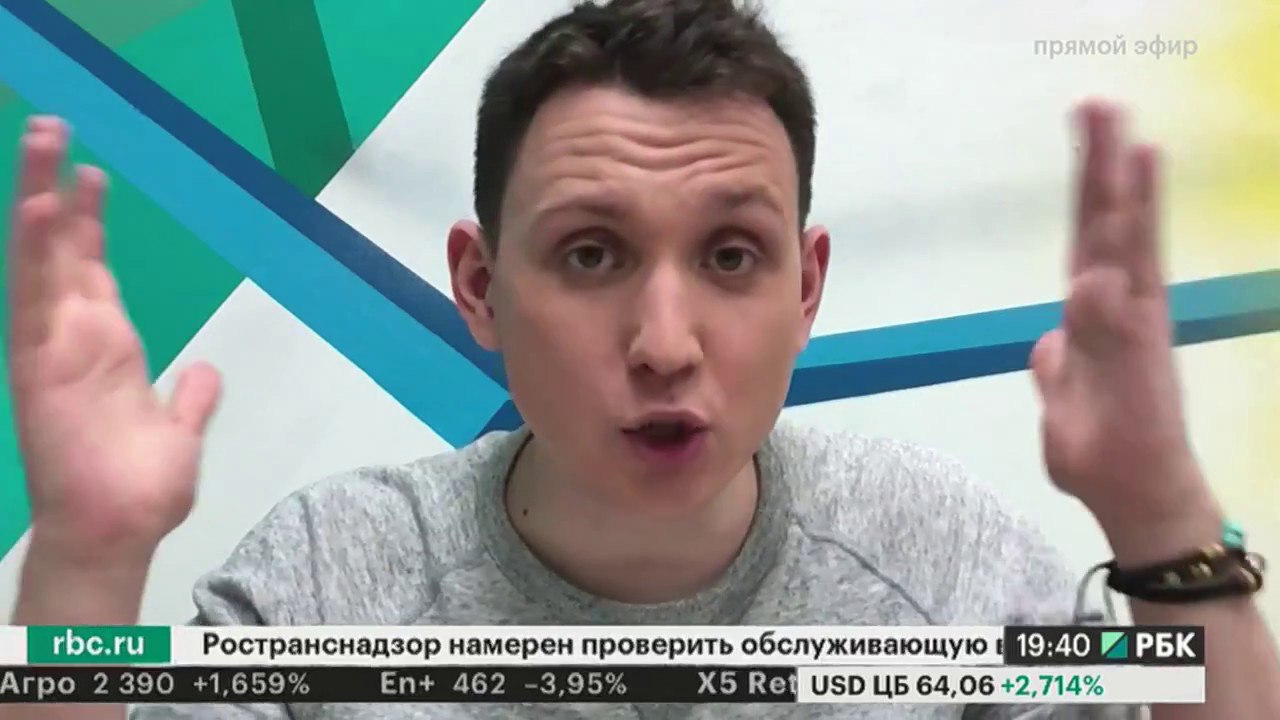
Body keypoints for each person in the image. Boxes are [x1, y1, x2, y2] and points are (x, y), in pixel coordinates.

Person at [4, 0, 1277, 718]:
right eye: (590, 254)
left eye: (729, 256)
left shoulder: (948, 563)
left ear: (805, 288)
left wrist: (1161, 517)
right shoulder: (328, 582)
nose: (665, 346)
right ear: (478, 288)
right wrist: (87, 557)